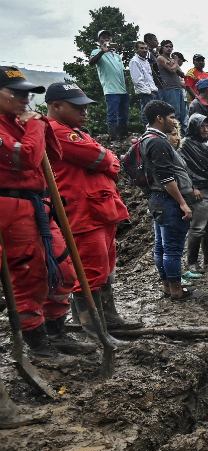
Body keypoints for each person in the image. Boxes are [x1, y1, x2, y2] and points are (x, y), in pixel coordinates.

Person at [0, 68, 84, 365]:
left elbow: (54, 155)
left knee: (64, 272)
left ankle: (56, 331)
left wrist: (42, 126)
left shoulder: (20, 122)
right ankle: (37, 346)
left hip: (39, 205)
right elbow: (25, 159)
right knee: (29, 278)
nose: (25, 99)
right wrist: (36, 127)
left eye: (27, 93)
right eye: (16, 93)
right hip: (11, 210)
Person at [44, 83, 132, 341]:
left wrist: (108, 160)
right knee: (89, 273)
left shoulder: (74, 131)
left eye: (85, 107)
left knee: (104, 268)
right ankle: (94, 331)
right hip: (81, 212)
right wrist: (107, 160)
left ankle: (110, 318)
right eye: (77, 107)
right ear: (56, 106)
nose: (85, 112)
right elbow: (104, 160)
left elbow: (112, 163)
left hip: (99, 209)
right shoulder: (57, 132)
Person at [140, 100, 199, 301]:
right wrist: (183, 203)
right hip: (168, 200)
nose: (174, 122)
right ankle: (176, 290)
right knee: (172, 248)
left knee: (162, 246)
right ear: (160, 118)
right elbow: (167, 178)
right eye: (171, 118)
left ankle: (168, 287)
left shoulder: (146, 138)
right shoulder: (158, 141)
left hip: (157, 199)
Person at [180, 114, 208, 275]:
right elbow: (183, 169)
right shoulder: (185, 145)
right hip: (199, 190)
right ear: (194, 127)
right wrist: (192, 187)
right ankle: (191, 261)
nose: (205, 129)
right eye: (202, 126)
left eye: (207, 126)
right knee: (198, 228)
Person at [88, 30, 130, 141]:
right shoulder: (97, 51)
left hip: (123, 90)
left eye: (109, 37)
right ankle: (113, 139)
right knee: (113, 115)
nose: (106, 39)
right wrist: (102, 51)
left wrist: (127, 88)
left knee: (124, 115)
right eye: (103, 37)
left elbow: (122, 72)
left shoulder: (117, 56)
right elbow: (91, 62)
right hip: (111, 90)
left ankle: (123, 137)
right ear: (99, 40)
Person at [157, 40, 187, 135]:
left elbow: (182, 74)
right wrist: (176, 62)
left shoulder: (172, 61)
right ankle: (173, 134)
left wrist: (175, 63)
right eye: (166, 46)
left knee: (183, 114)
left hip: (178, 88)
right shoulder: (161, 58)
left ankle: (182, 135)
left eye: (170, 46)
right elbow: (172, 70)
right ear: (162, 48)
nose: (169, 48)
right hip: (169, 89)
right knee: (174, 113)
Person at [130, 41, 158, 127]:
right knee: (147, 116)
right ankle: (148, 135)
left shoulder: (146, 61)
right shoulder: (134, 61)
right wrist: (149, 91)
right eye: (142, 48)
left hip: (152, 91)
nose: (144, 50)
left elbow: (149, 77)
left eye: (146, 48)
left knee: (154, 115)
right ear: (136, 50)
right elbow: (137, 80)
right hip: (145, 93)